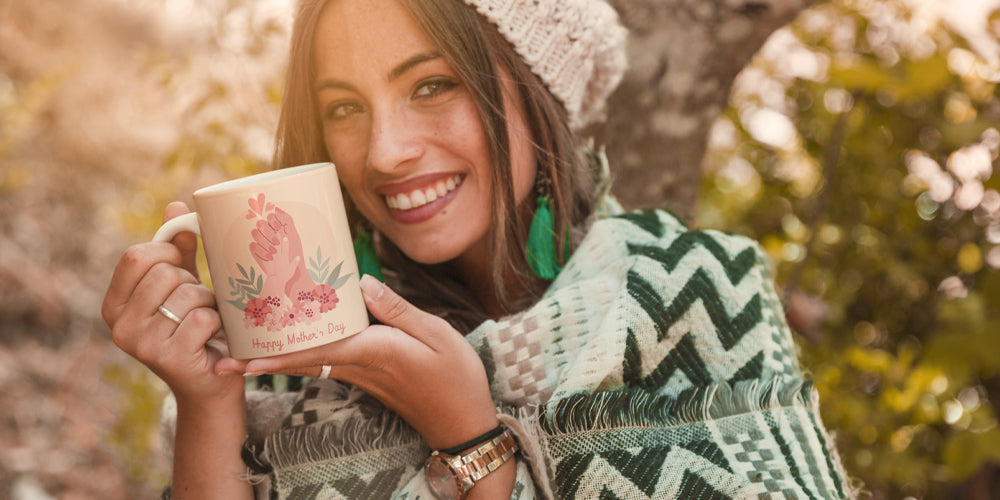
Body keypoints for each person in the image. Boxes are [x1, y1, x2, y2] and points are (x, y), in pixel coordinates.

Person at [102, 0, 853, 498]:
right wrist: (208, 402)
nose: (386, 153)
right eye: (343, 108)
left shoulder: (699, 293)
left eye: (432, 86)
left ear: (539, 91)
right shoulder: (309, 351)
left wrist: (468, 437)